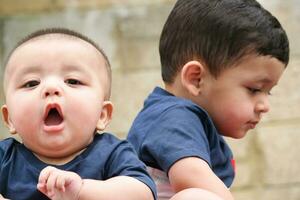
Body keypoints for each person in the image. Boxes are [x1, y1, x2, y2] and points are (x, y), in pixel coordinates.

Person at [127, 0, 290, 200]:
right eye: (254, 89)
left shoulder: (191, 122)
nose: (265, 106)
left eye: (268, 92)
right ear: (197, 79)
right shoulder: (173, 117)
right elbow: (191, 177)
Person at [0, 28, 156, 200]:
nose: (51, 88)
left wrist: (82, 191)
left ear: (102, 115)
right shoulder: (5, 158)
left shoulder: (111, 153)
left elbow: (144, 194)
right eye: (31, 83)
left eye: (72, 81)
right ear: (9, 119)